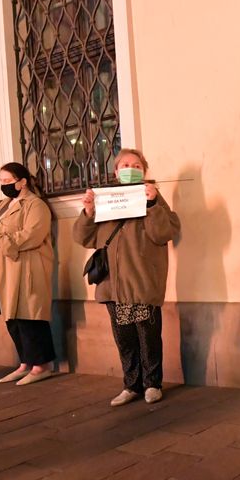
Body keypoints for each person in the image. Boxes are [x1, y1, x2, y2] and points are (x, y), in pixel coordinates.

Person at [73, 149, 180, 406]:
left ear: (144, 170)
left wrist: (153, 204)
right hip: (114, 285)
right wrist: (88, 211)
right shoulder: (106, 199)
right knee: (124, 338)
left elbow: (164, 233)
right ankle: (131, 385)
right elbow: (83, 238)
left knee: (148, 336)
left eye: (135, 164)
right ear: (115, 172)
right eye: (124, 165)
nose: (129, 168)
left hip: (143, 283)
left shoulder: (153, 198)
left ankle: (152, 384)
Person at [0, 162, 56, 386]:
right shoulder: (4, 205)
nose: (4, 185)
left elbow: (32, 235)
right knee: (12, 316)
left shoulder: (35, 205)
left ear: (22, 181)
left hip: (27, 266)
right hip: (5, 267)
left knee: (30, 315)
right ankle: (25, 362)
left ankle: (41, 365)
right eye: (1, 181)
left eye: (8, 181)